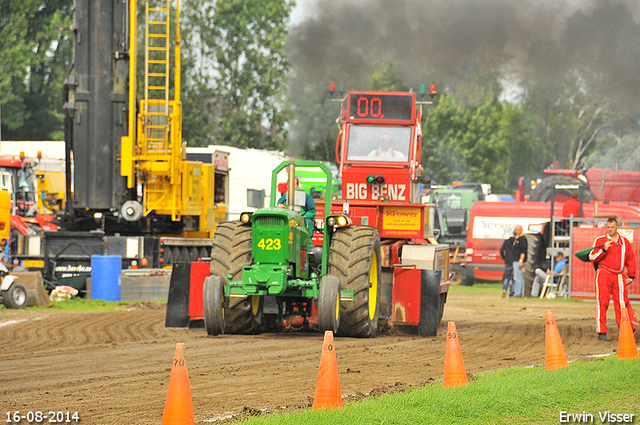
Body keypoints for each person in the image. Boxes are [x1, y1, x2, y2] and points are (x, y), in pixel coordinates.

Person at [589, 217, 638, 341]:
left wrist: (631, 276)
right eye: (608, 227)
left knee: (622, 303)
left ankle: (625, 329)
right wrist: (603, 249)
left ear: (617, 227)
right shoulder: (600, 240)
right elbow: (592, 256)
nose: (610, 229)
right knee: (602, 302)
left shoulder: (624, 242)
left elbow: (630, 259)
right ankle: (601, 332)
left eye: (612, 227)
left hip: (619, 275)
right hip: (604, 274)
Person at [511, 224, 528, 298]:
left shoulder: (522, 239)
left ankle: (517, 293)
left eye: (518, 230)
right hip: (516, 260)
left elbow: (523, 251)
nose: (517, 231)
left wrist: (520, 260)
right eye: (516, 230)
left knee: (517, 277)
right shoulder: (516, 239)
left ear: (521, 230)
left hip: (518, 261)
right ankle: (521, 293)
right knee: (520, 277)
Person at [500, 234, 516, 298]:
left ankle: (504, 289)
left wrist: (504, 257)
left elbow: (501, 250)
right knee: (513, 279)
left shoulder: (506, 242)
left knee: (507, 277)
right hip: (514, 261)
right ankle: (511, 293)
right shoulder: (516, 242)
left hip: (507, 261)